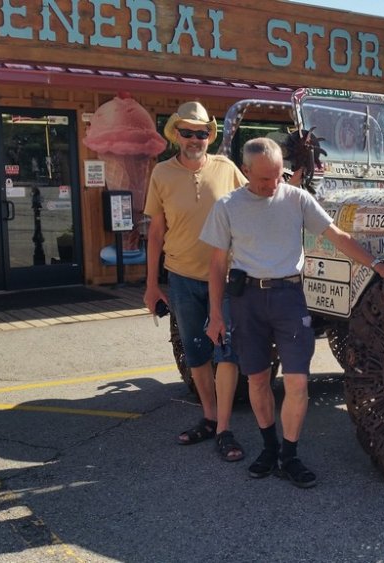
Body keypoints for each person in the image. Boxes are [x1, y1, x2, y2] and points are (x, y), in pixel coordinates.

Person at [200, 137, 384, 488]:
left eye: (278, 175)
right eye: (264, 178)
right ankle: (269, 448)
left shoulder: (296, 198)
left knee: (298, 381)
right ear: (246, 171)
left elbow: (336, 235)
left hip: (289, 297)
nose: (273, 184)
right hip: (247, 300)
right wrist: (216, 314)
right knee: (257, 379)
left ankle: (289, 456)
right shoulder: (228, 206)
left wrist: (376, 265)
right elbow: (216, 265)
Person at [143, 101, 247, 461]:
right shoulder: (161, 174)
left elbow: (254, 202)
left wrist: (286, 186)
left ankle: (224, 429)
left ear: (209, 136)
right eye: (187, 132)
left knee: (227, 353)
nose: (194, 139)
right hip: (182, 277)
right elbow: (156, 232)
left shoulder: (227, 169)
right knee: (197, 352)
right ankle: (210, 417)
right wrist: (151, 285)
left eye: (201, 133)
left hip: (227, 278)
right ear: (176, 134)